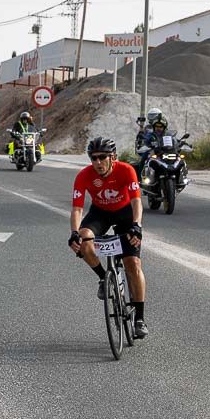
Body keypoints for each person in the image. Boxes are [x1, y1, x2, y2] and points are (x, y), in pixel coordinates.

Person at [69, 137, 147, 338]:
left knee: (133, 264)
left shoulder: (126, 170)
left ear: (113, 157)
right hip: (100, 213)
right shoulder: (84, 176)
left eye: (102, 157)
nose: (97, 162)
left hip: (125, 213)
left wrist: (136, 226)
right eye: (93, 158)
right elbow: (77, 209)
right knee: (85, 239)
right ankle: (104, 278)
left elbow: (137, 202)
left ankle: (139, 318)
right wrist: (74, 233)